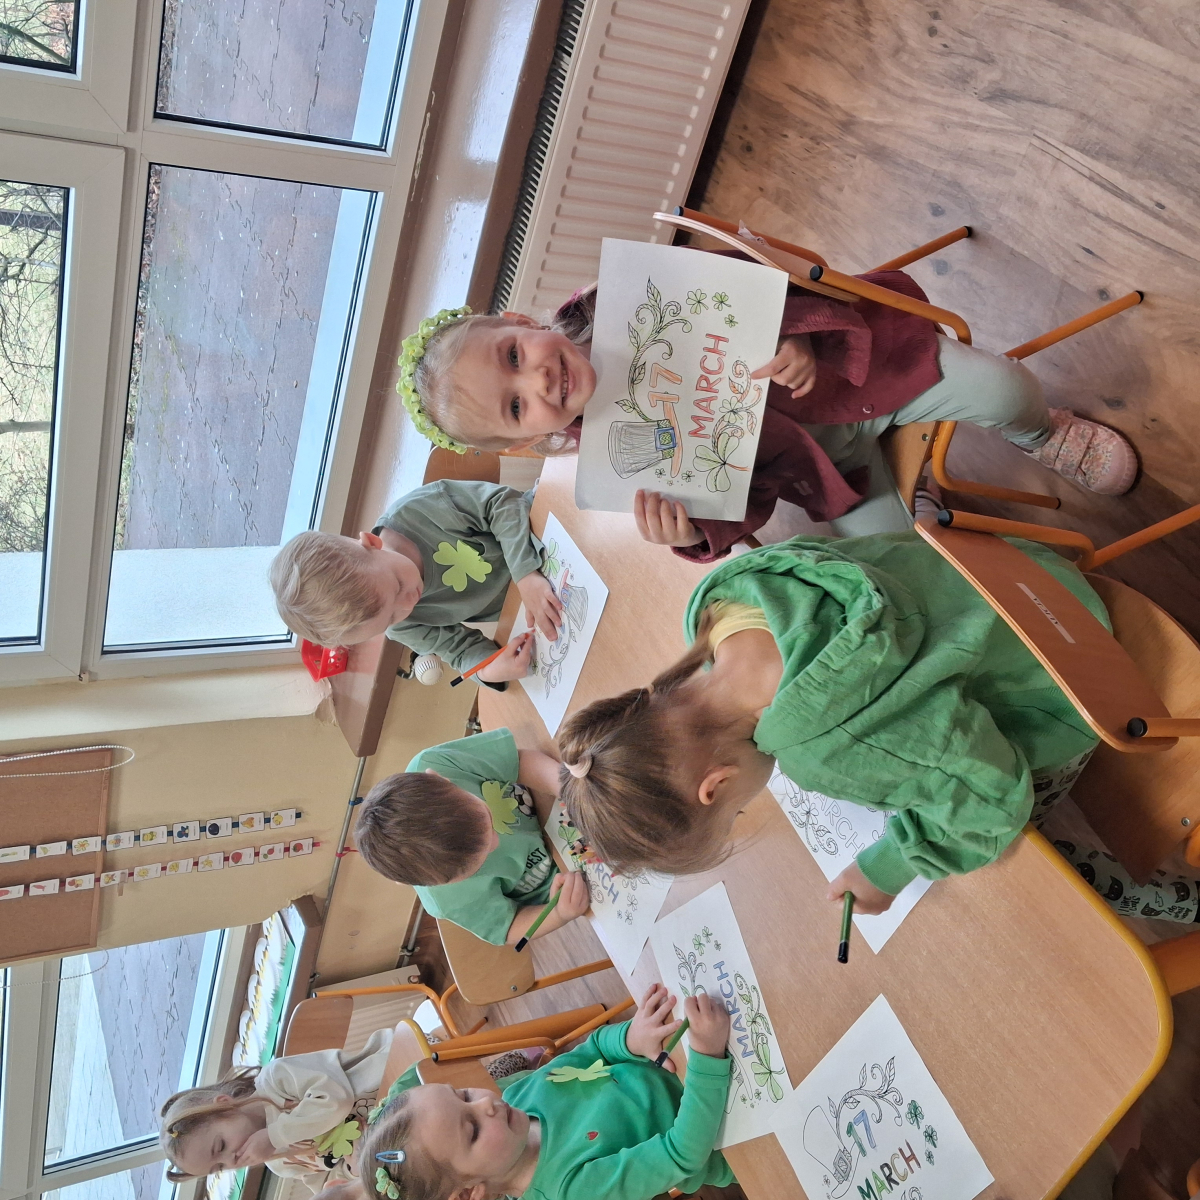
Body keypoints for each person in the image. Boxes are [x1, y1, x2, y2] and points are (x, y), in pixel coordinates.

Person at [392, 276, 1138, 561]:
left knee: (1006, 388)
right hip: (832, 468)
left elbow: (756, 280)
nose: (539, 379)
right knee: (892, 565)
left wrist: (795, 338)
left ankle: (1044, 434)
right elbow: (742, 500)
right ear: (529, 437)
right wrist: (691, 534)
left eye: (515, 355)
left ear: (522, 322)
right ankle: (914, 499)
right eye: (516, 404)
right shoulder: (615, 457)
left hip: (864, 374)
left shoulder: (626, 296)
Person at [557, 530, 1108, 914]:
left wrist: (888, 868)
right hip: (1016, 567)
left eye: (736, 810)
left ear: (716, 785)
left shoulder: (824, 748)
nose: (746, 803)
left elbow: (992, 798)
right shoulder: (720, 603)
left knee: (1021, 841)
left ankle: (1126, 891)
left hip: (1080, 660)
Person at [359, 983, 734, 1200]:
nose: (486, 1103)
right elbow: (683, 1154)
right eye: (472, 1130)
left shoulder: (517, 1104)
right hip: (732, 1136)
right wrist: (707, 1056)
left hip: (695, 1062)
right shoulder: (568, 1190)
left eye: (463, 1096)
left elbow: (593, 1051)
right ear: (471, 1193)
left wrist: (631, 1039)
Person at [269, 479, 560, 683]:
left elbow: (503, 505)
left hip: (550, 528)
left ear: (372, 543)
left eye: (397, 585)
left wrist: (525, 574)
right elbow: (459, 649)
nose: (408, 604)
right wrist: (487, 669)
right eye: (391, 618)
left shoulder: (419, 511)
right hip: (545, 602)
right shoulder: (401, 625)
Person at [354, 729, 590, 946]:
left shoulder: (436, 762)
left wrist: (570, 792)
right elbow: (509, 927)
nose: (496, 844)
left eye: (487, 818)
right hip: (573, 880)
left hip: (554, 804)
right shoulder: (445, 900)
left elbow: (517, 761)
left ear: (441, 778)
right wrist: (557, 913)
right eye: (477, 865)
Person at [160, 1031, 392, 1194]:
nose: (231, 1160)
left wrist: (274, 1136)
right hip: (392, 1136)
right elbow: (329, 1181)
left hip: (396, 1073)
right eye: (220, 1167)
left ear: (225, 1106)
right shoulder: (280, 1163)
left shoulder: (276, 1080)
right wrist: (352, 1169)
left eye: (221, 1147)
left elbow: (335, 1100)